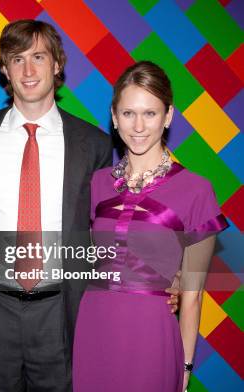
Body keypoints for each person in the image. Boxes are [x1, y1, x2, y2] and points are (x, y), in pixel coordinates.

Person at [0, 20, 178, 392]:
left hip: (63, 315)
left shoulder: (91, 143)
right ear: (4, 69)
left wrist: (158, 283)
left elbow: (114, 226)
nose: (28, 70)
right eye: (17, 59)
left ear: (57, 65)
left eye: (39, 57)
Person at [72, 61, 228, 392]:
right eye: (128, 113)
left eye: (150, 113)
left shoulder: (197, 189)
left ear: (169, 115)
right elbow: (92, 263)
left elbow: (193, 294)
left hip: (151, 335)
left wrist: (184, 369)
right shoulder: (98, 182)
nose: (138, 125)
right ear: (114, 118)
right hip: (93, 328)